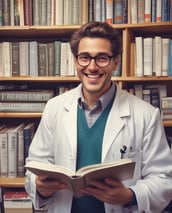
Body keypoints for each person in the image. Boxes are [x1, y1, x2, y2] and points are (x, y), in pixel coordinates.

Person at [25, 21, 172, 213]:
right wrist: (40, 188)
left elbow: (163, 179)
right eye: (84, 57)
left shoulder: (146, 115)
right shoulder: (54, 108)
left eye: (102, 58)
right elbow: (34, 168)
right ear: (75, 61)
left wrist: (130, 195)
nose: (92, 67)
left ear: (115, 62)